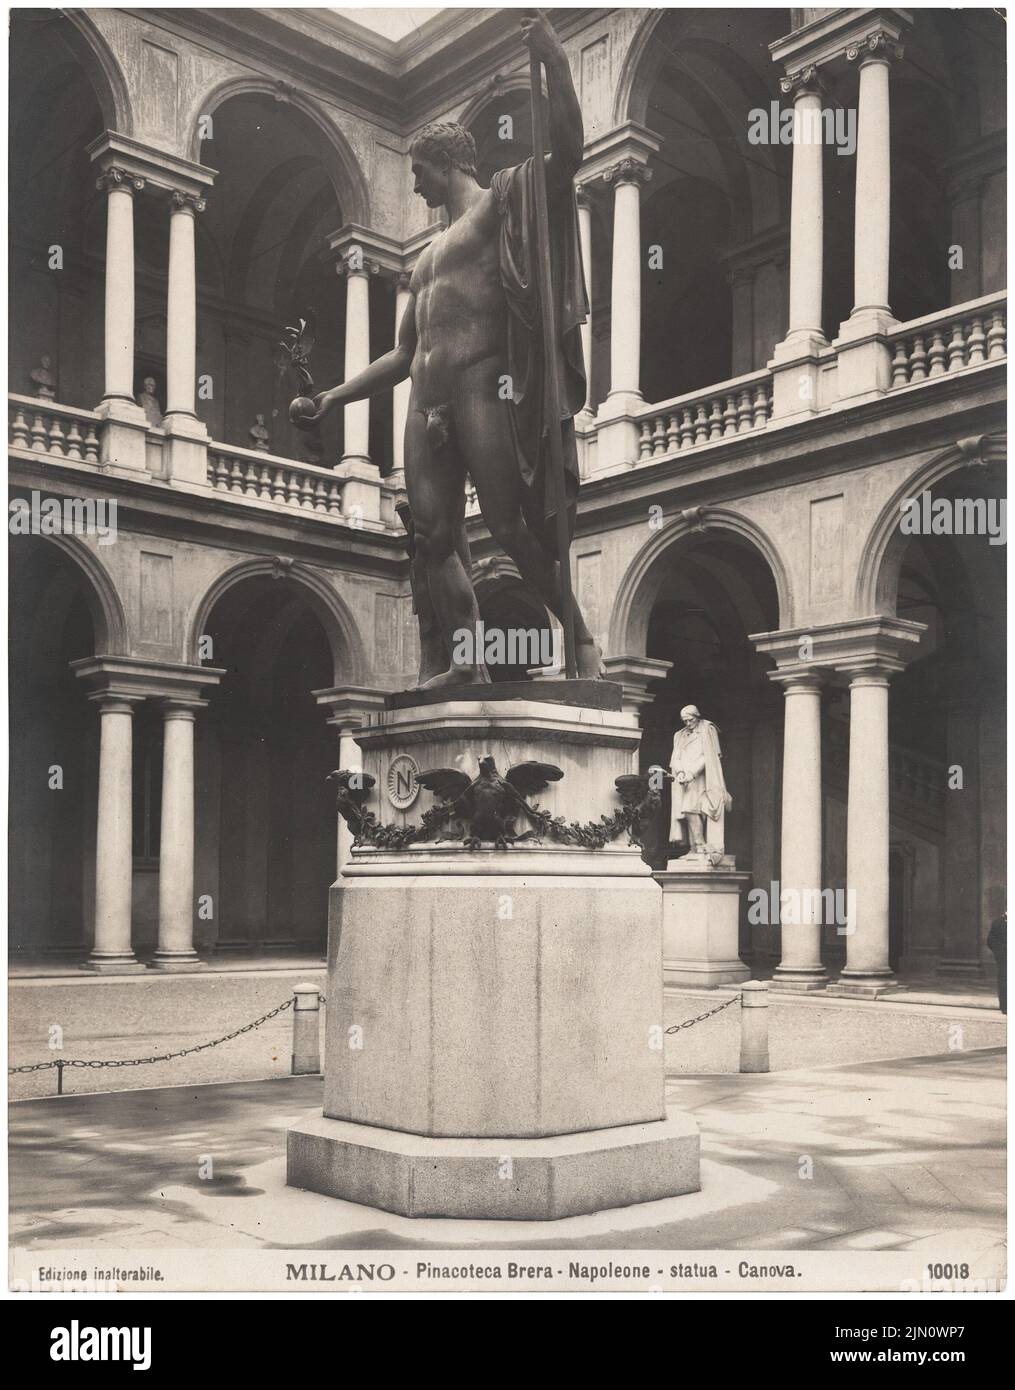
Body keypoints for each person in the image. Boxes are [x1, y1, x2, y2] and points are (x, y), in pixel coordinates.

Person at [291, 9, 600, 688]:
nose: (413, 185)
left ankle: (578, 638)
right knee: (432, 537)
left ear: (442, 160)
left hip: (481, 386)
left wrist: (553, 61)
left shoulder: (500, 203)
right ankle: (467, 664)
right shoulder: (425, 258)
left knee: (509, 528)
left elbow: (569, 154)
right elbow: (403, 356)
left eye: (417, 171)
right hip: (423, 402)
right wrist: (335, 397)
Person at [668, 704, 731, 863]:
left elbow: (708, 756)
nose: (688, 723)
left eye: (690, 720)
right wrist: (681, 772)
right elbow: (675, 757)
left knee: (692, 808)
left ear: (697, 716)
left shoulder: (706, 729)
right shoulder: (679, 735)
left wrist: (691, 773)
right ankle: (694, 848)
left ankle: (700, 845)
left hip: (702, 778)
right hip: (684, 779)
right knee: (689, 810)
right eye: (685, 721)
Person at [987, 911, 1006, 1013]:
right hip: (1005, 959)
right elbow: (991, 941)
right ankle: (1006, 1006)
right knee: (1005, 981)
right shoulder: (999, 923)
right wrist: (1002, 953)